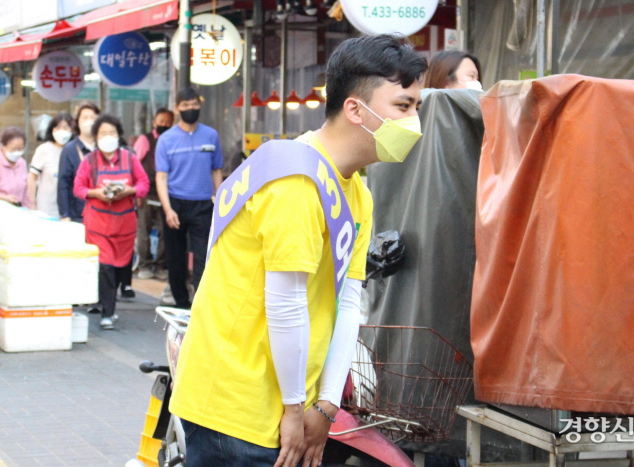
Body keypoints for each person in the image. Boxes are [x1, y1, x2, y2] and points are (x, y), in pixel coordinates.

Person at [169, 34, 427, 467]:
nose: (413, 121)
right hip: (235, 407)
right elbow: (285, 302)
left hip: (292, 404)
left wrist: (325, 407)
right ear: (355, 109)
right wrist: (295, 409)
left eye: (417, 106)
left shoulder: (357, 192)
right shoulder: (295, 179)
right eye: (403, 106)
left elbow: (349, 301)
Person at [73, 114, 149, 330]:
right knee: (105, 266)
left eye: (112, 133)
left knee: (119, 267)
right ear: (96, 137)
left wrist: (130, 190)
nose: (108, 136)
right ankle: (107, 313)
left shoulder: (130, 158)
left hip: (124, 225)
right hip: (98, 225)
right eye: (103, 133)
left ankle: (110, 304)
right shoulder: (89, 161)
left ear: (118, 135)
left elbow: (144, 183)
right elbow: (78, 188)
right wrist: (96, 193)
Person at [155, 88, 223, 309]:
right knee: (176, 257)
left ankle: (201, 304)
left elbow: (216, 170)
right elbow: (161, 177)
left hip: (203, 203)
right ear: (177, 108)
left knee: (203, 255)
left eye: (194, 105)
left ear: (200, 106)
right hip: (175, 202)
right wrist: (168, 209)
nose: (190, 109)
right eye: (185, 105)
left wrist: (219, 199)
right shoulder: (166, 140)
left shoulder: (211, 135)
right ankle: (181, 302)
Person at [133, 108, 173, 280]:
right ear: (154, 122)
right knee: (144, 230)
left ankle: (160, 266)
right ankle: (145, 265)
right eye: (161, 121)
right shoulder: (145, 139)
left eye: (168, 122)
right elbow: (135, 164)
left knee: (166, 231)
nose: (164, 124)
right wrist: (138, 193)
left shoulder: (173, 140)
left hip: (166, 194)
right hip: (146, 193)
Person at [28, 112, 74, 218]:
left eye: (66, 128)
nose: (62, 131)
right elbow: (32, 177)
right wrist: (32, 203)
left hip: (69, 208)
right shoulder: (44, 149)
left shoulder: (73, 151)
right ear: (52, 129)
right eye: (58, 127)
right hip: (46, 208)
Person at [0, 127, 30, 207]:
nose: (17, 152)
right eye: (13, 149)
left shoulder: (22, 163)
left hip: (18, 208)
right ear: (4, 146)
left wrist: (27, 207)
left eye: (20, 149)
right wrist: (2, 196)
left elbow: (26, 190)